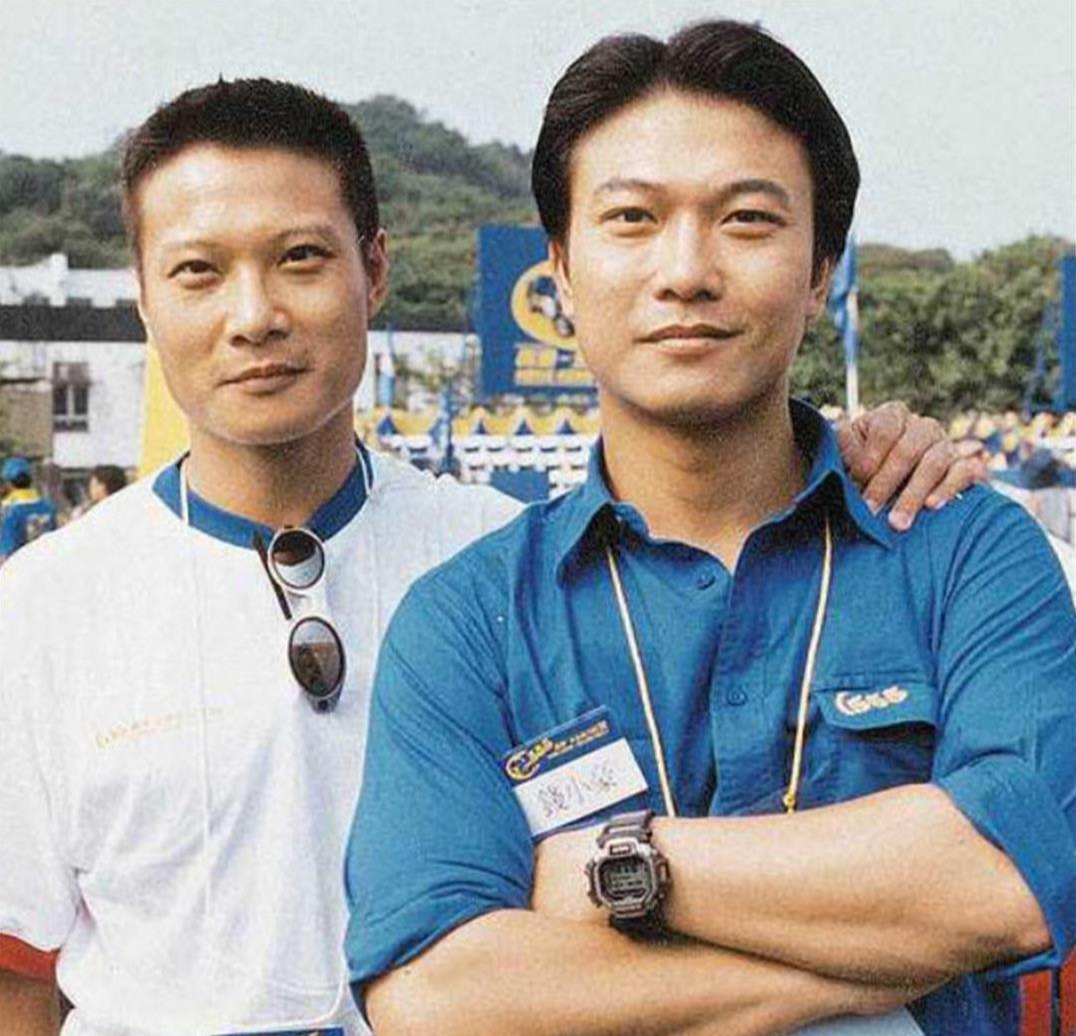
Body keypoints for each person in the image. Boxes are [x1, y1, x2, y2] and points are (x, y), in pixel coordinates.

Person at [0, 77, 975, 1036]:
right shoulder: (43, 606)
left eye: (300, 258)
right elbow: (14, 975)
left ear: (374, 270)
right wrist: (870, 971)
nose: (253, 314)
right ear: (142, 296)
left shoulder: (508, 564)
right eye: (197, 272)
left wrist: (862, 456)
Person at [345, 21, 1075, 1036]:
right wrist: (885, 957)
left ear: (819, 273)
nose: (685, 271)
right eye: (632, 219)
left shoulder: (964, 553)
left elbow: (1007, 881)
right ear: (560, 273)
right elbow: (437, 995)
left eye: (746, 220)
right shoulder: (470, 621)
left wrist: (620, 864)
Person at [0, 457, 58, 566]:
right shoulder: (49, 508)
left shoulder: (8, 512)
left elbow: (6, 553)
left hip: (18, 570)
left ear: (8, 484)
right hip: (47, 566)